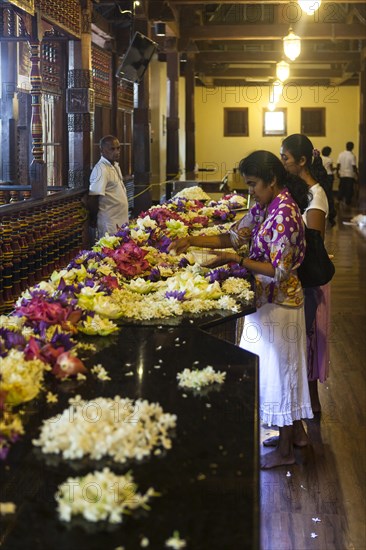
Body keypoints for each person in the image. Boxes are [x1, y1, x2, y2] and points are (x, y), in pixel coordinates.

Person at [169, 150, 313, 469]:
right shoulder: (265, 207)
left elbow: (279, 270)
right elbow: (234, 236)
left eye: (253, 184)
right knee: (279, 369)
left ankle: (286, 450)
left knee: (282, 372)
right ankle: (297, 435)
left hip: (282, 303)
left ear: (272, 180)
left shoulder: (285, 213)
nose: (250, 192)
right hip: (267, 300)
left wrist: (237, 261)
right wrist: (190, 240)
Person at [280, 134, 329, 414]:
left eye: (285, 158)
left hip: (310, 279)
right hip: (299, 276)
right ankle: (305, 403)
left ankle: (311, 404)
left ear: (301, 161)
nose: (283, 162)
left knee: (308, 340)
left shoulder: (316, 196)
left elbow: (313, 244)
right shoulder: (300, 191)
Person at [88, 135, 129, 239]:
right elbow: (94, 197)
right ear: (102, 150)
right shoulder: (101, 169)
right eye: (112, 149)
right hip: (110, 223)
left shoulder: (114, 165)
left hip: (121, 221)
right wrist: (93, 219)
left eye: (118, 148)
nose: (116, 152)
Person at [336, 142, 358, 206]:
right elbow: (354, 166)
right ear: (352, 147)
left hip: (342, 173)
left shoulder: (341, 154)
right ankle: (348, 201)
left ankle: (339, 199)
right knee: (349, 188)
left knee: (341, 187)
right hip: (350, 174)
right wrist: (357, 174)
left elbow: (338, 164)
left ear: (346, 146)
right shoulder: (352, 156)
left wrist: (337, 172)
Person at [321, 146, 337, 226]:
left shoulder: (320, 158)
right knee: (329, 191)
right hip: (329, 175)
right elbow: (331, 169)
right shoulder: (329, 159)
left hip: (322, 176)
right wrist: (335, 169)